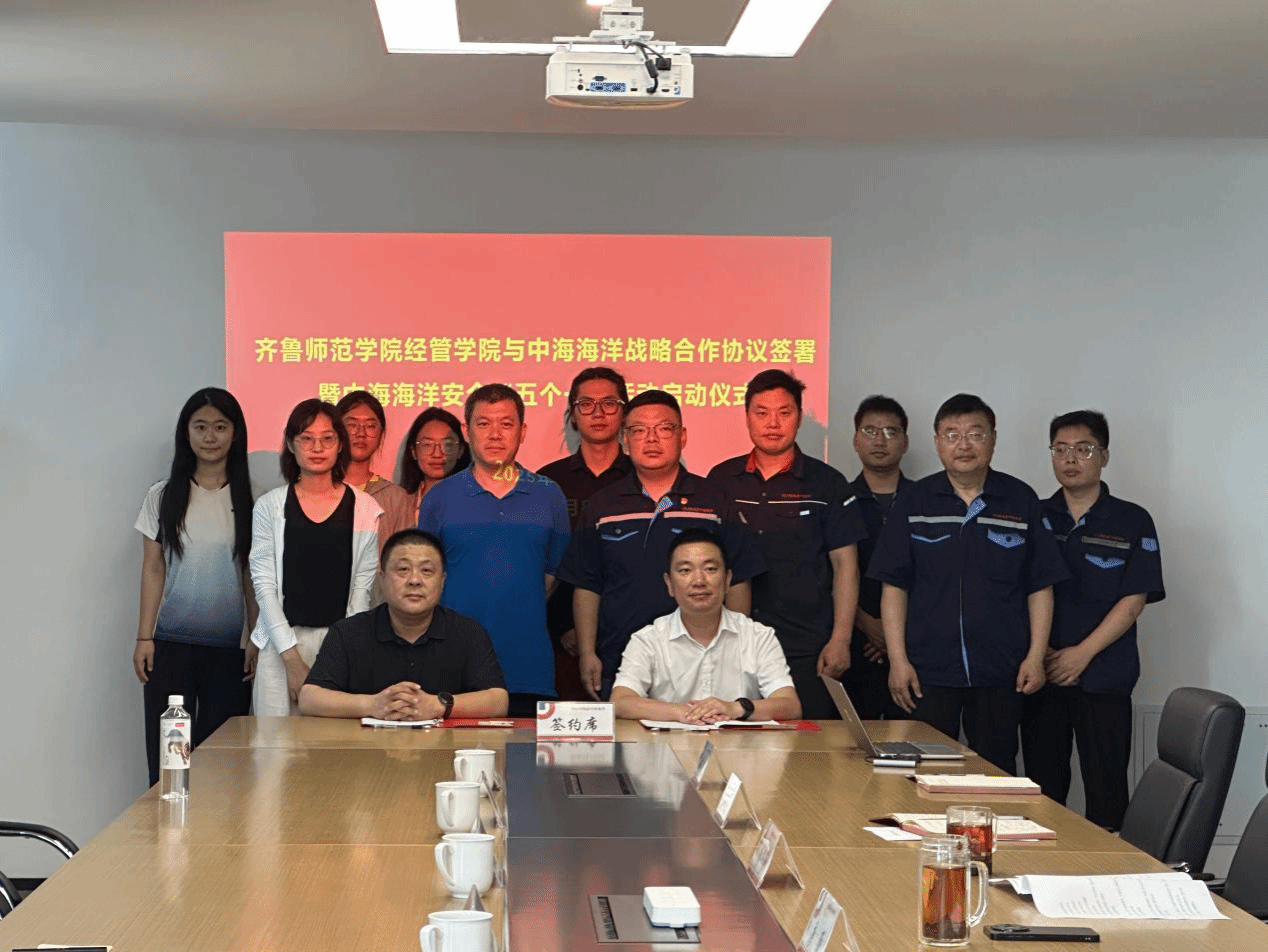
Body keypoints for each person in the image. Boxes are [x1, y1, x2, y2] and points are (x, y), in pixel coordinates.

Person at [868, 393, 1068, 772]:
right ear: (937, 442)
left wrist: (1035, 656)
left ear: (993, 439)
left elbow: (1040, 587)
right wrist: (898, 660)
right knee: (921, 772)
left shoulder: (1020, 500)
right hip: (926, 671)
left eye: (975, 434)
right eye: (952, 435)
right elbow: (894, 588)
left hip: (1001, 671)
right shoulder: (914, 501)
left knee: (995, 772)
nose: (964, 445)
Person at [559, 389, 765, 700]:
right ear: (625, 440)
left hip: (703, 663)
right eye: (639, 430)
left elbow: (738, 579)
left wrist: (737, 651)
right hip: (621, 659)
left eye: (664, 429)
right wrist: (588, 652)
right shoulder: (602, 505)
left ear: (682, 436)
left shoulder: (714, 500)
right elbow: (587, 585)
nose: (651, 439)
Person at [1021, 410, 1165, 829]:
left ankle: (1105, 866)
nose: (1070, 459)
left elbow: (1134, 600)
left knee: (1107, 787)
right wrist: (1043, 653)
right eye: (1060, 449)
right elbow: (1016, 591)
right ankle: (1042, 863)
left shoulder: (1132, 520)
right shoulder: (1033, 515)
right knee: (1041, 789)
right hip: (1042, 672)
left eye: (1083, 449)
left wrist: (1081, 654)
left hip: (1104, 674)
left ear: (1103, 455)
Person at [707, 370, 866, 719]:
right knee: (737, 742)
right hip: (734, 646)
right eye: (761, 412)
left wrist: (840, 639)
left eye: (784, 412)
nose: (773, 423)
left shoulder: (827, 483)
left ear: (799, 416)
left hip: (808, 647)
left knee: (808, 744)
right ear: (747, 416)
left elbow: (846, 567)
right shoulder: (721, 480)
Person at [418, 384, 571, 718]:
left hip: (527, 665)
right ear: (466, 432)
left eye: (506, 424)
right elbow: (426, 577)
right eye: (484, 423)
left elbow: (551, 575)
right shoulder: (439, 498)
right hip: (453, 666)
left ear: (522, 431)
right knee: (450, 753)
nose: (495, 434)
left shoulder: (549, 495)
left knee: (524, 753)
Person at [134, 387, 257, 785]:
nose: (210, 437)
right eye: (200, 426)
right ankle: (167, 825)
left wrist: (255, 638)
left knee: (221, 764)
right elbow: (153, 568)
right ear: (185, 432)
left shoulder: (252, 500)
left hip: (229, 652)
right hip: (171, 648)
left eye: (220, 427)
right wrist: (144, 638)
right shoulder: (163, 496)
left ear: (235, 433)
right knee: (170, 763)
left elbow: (251, 576)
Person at [249, 398, 383, 716]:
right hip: (280, 645)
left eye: (327, 438)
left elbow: (361, 593)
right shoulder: (269, 506)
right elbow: (264, 586)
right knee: (274, 744)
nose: (317, 448)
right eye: (306, 438)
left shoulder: (365, 509)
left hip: (339, 645)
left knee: (333, 743)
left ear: (340, 444)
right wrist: (291, 659)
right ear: (291, 445)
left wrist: (342, 653)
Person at [298, 529, 508, 720]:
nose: (415, 580)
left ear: (442, 581)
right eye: (403, 569)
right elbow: (309, 698)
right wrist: (373, 704)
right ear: (382, 579)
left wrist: (438, 706)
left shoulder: (468, 632)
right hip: (367, 748)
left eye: (427, 571)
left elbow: (498, 701)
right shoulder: (348, 632)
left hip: (443, 749)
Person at [611, 529, 800, 724]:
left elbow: (790, 705)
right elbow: (621, 701)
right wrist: (684, 713)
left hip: (740, 743)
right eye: (685, 570)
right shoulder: (647, 639)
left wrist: (735, 708)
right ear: (669, 584)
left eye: (710, 569)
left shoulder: (758, 636)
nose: (699, 581)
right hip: (670, 742)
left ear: (727, 580)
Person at [538, 367, 634, 700]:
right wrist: (565, 628)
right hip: (558, 642)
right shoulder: (547, 482)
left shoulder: (642, 477)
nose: (598, 413)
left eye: (609, 403)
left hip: (634, 638)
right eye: (586, 404)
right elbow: (538, 564)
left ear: (624, 412)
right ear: (573, 416)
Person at [843, 394, 914, 719]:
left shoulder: (925, 501)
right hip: (855, 645)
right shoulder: (840, 501)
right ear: (856, 440)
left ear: (905, 442)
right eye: (870, 431)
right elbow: (829, 574)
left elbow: (936, 574)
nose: (880, 441)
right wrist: (869, 625)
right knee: (855, 743)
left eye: (891, 431)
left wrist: (894, 632)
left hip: (914, 648)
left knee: (912, 740)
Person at [335, 390, 415, 546]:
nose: (361, 433)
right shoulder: (319, 488)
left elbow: (405, 554)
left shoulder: (396, 498)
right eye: (351, 425)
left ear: (381, 434)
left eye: (370, 426)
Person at [398, 406, 472, 525]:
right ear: (413, 451)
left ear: (460, 450)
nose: (437, 454)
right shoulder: (399, 504)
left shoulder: (477, 501)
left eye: (447, 445)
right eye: (427, 444)